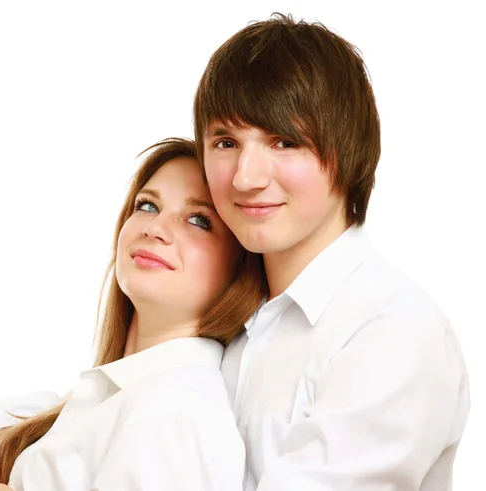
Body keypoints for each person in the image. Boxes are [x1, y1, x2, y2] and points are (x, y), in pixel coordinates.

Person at [193, 12, 469, 491]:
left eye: (285, 142)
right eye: (225, 142)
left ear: (347, 151)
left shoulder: (392, 331)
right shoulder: (227, 312)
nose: (245, 177)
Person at [0, 138, 266, 490]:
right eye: (148, 206)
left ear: (241, 267)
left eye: (198, 220)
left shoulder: (176, 411)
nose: (154, 228)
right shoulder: (86, 404)